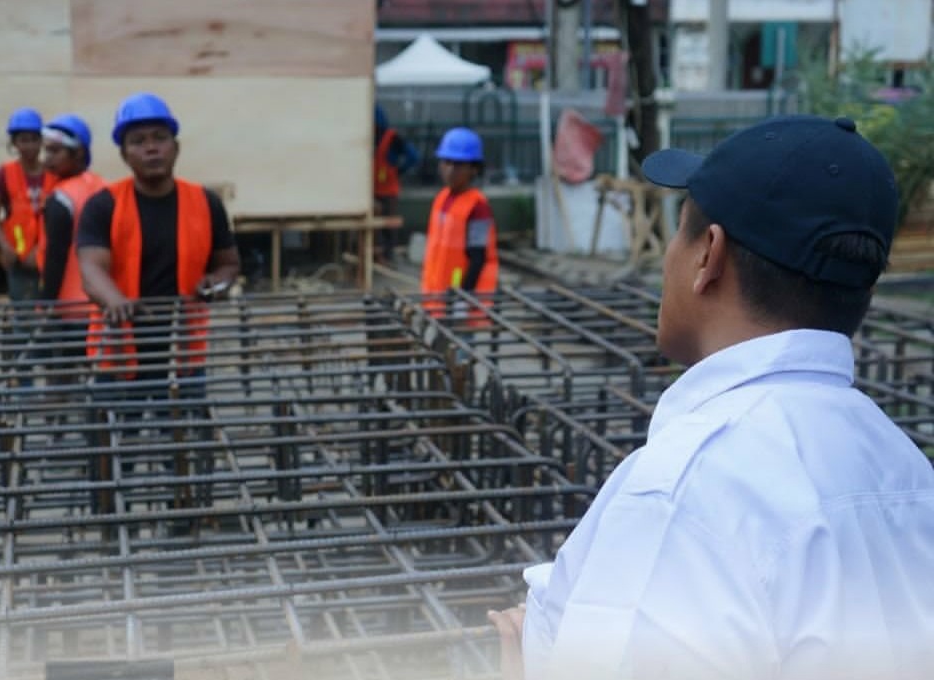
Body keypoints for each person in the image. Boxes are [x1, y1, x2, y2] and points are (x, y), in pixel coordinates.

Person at [489, 115, 934, 679]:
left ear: (709, 256)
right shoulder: (910, 472)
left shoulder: (684, 494)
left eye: (681, 232)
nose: (670, 255)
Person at [77, 92, 241, 395]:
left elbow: (228, 262)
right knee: (118, 435)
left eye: (160, 138)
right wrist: (114, 300)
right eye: (138, 141)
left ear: (175, 148)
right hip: (119, 348)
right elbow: (90, 268)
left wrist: (217, 282)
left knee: (181, 434)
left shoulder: (206, 202)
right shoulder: (103, 205)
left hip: (184, 349)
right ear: (125, 154)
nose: (151, 148)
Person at [38, 113, 106, 377]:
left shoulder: (61, 198)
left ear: (78, 154)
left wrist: (46, 303)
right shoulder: (102, 187)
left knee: (66, 375)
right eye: (47, 150)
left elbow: (56, 256)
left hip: (69, 306)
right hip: (100, 301)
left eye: (56, 151)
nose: (48, 158)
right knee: (97, 370)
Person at [420, 127, 499, 323]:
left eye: (458, 165)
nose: (450, 170)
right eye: (446, 162)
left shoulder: (478, 207)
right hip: (436, 297)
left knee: (458, 350)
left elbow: (478, 257)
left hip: (457, 298)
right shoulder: (442, 198)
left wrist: (463, 299)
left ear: (473, 169)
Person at [0, 107, 57, 303]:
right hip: (18, 259)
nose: (30, 146)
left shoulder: (55, 172)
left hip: (50, 257)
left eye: (34, 139)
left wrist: (42, 250)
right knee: (24, 316)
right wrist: (5, 247)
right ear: (14, 142)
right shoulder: (1, 175)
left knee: (53, 313)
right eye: (23, 140)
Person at [373, 104, 419, 263]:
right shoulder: (369, 140)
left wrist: (399, 171)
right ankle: (377, 254)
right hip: (373, 190)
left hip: (388, 192)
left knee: (388, 225)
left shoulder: (392, 139)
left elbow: (413, 157)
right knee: (376, 226)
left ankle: (388, 255)